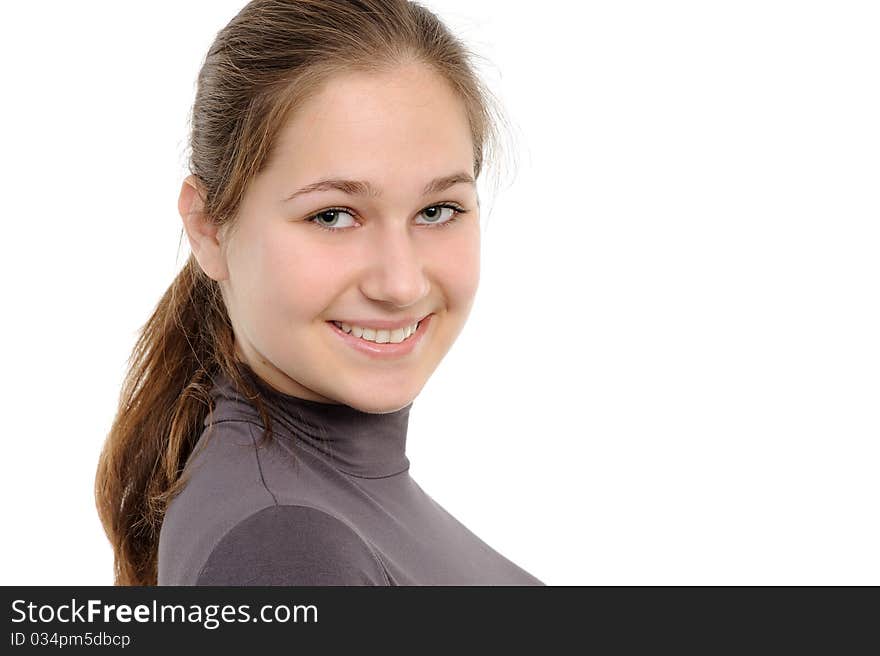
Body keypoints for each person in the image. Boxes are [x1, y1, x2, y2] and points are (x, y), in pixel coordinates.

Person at [94, 0, 542, 586]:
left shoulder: (319, 517)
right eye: (333, 216)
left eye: (437, 210)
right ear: (208, 228)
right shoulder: (286, 547)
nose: (400, 283)